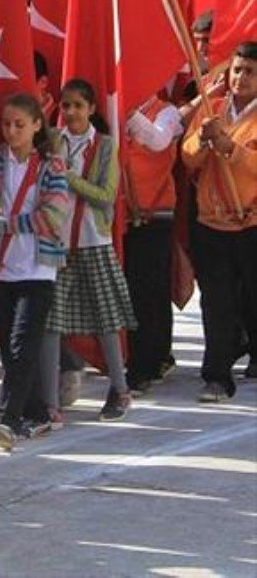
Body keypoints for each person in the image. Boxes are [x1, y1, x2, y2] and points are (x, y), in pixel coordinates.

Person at [41, 79, 136, 422]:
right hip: (58, 240)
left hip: (93, 239)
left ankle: (121, 390)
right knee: (52, 322)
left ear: (92, 109)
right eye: (65, 106)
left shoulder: (105, 146)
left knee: (105, 319)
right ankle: (50, 401)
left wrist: (69, 178)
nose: (70, 113)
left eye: (78, 106)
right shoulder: (53, 140)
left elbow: (106, 194)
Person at [0, 94, 70, 447]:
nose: (12, 131)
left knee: (22, 343)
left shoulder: (52, 166)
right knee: (6, 344)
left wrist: (8, 225)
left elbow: (54, 216)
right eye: (6, 124)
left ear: (36, 125)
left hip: (37, 267)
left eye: (20, 124)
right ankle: (36, 411)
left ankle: (8, 416)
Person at [180, 42, 257, 402]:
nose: (241, 78)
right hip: (212, 221)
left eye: (250, 72)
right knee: (216, 301)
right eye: (237, 70)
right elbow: (188, 157)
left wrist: (230, 148)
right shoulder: (213, 109)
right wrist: (202, 140)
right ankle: (216, 376)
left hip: (251, 221)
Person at [122, 91, 185, 393]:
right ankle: (143, 355)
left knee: (150, 290)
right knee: (131, 289)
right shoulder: (114, 107)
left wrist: (129, 113)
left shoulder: (167, 112)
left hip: (154, 212)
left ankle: (147, 362)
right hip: (120, 214)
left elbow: (158, 141)